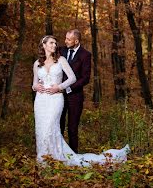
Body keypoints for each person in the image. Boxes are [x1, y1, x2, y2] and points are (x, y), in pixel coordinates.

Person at [32, 34, 129, 166]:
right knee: (41, 128)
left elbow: (72, 78)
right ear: (43, 45)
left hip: (55, 99)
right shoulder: (37, 63)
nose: (55, 45)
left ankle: (57, 155)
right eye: (51, 43)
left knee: (51, 126)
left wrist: (60, 87)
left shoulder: (61, 60)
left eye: (55, 43)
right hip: (41, 100)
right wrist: (35, 86)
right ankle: (44, 156)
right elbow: (34, 83)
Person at [59, 28, 91, 153]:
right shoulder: (61, 51)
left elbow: (85, 78)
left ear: (76, 41)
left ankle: (73, 154)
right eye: (66, 38)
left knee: (72, 127)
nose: (65, 41)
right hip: (59, 96)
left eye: (68, 39)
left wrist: (68, 88)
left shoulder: (85, 55)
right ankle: (59, 152)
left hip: (75, 96)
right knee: (59, 125)